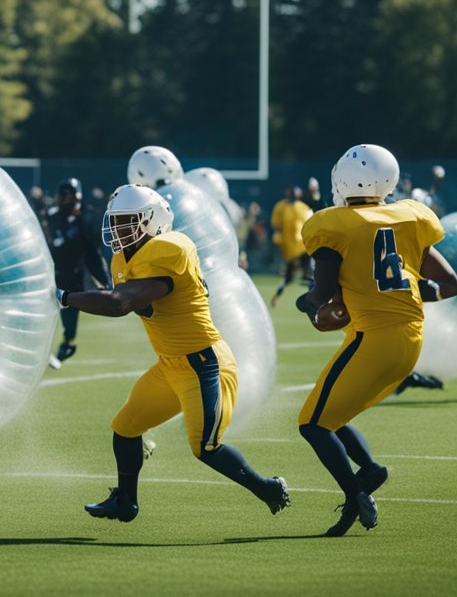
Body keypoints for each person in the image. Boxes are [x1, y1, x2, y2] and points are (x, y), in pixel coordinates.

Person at [58, 184, 290, 525]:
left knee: (205, 448)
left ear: (153, 222)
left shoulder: (170, 249)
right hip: (170, 365)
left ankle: (268, 488)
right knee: (125, 427)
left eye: (128, 222)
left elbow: (119, 302)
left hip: (204, 365)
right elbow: (118, 293)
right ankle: (125, 501)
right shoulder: (124, 258)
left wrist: (62, 296)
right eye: (117, 222)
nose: (119, 230)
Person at [293, 144, 457, 536]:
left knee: (312, 424)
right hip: (410, 341)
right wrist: (406, 293)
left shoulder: (332, 224)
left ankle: (355, 494)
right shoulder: (409, 217)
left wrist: (308, 303)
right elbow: (450, 285)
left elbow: (321, 293)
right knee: (333, 417)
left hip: (374, 338)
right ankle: (370, 470)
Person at [45, 178, 110, 368]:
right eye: (60, 196)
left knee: (69, 316)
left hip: (73, 276)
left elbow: (93, 253)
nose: (61, 200)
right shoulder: (53, 217)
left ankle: (67, 343)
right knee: (44, 313)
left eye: (66, 196)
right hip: (51, 273)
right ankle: (46, 350)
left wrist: (104, 280)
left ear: (75, 197)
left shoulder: (86, 217)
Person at [269, 185, 313, 307]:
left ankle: (315, 300)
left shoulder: (303, 208)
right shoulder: (282, 207)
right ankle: (276, 296)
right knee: (290, 276)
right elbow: (276, 224)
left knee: (309, 275)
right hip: (290, 247)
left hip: (302, 247)